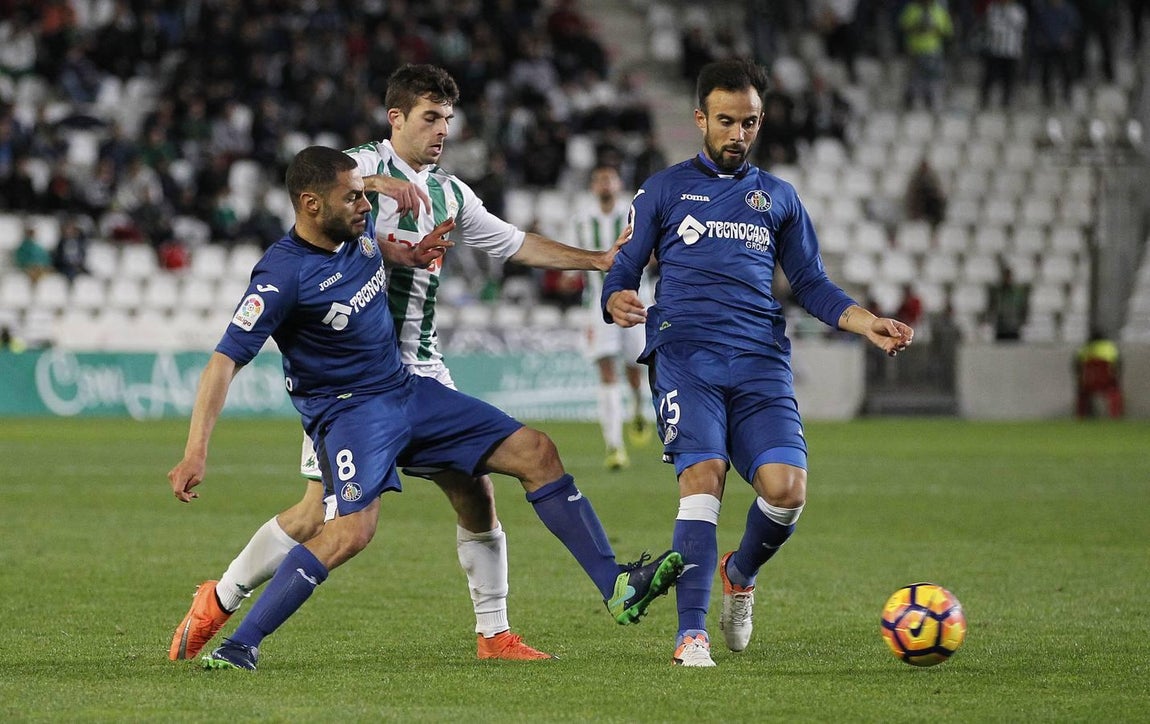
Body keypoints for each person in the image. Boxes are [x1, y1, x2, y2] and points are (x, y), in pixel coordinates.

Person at [170, 64, 661, 665]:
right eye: (431, 118)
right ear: (395, 118)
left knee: (478, 492)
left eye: (449, 120)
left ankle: (495, 632)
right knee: (318, 517)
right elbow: (317, 196)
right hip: (342, 387)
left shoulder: (451, 194)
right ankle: (221, 601)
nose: (442, 131)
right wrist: (378, 185)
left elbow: (513, 243)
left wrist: (599, 260)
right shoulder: (350, 173)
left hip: (416, 372)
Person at [602, 58, 914, 667]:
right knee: (704, 477)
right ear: (700, 119)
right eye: (725, 121)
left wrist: (864, 321)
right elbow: (623, 263)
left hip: (759, 362)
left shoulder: (780, 198)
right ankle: (690, 635)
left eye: (748, 123)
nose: (737, 134)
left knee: (786, 491)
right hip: (684, 355)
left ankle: (739, 572)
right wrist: (615, 296)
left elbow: (812, 284)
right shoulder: (664, 189)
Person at [574, 164, 652, 471]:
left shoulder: (635, 214)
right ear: (593, 186)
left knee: (634, 367)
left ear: (618, 184)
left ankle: (636, 406)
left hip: (635, 299)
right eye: (599, 180)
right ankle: (615, 446)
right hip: (597, 303)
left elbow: (653, 250)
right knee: (606, 369)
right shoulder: (581, 218)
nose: (605, 184)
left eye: (609, 178)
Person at [898, 0, 954, 111]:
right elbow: (902, 27)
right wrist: (917, 26)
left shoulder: (939, 10)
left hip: (933, 50)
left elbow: (948, 32)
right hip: (914, 50)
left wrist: (934, 28)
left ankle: (930, 101)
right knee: (914, 78)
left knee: (932, 78)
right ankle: (910, 101)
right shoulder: (912, 9)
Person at [979, 0, 1028, 110]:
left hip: (1011, 51)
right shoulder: (992, 8)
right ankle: (985, 100)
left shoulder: (1017, 10)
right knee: (989, 77)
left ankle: (1006, 101)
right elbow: (990, 25)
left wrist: (1006, 12)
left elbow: (1020, 25)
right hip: (994, 50)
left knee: (1009, 78)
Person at [1075, 328, 1123, 418]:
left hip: (1089, 383)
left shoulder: (1085, 349)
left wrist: (1079, 379)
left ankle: (1081, 415)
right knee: (1115, 390)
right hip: (1107, 383)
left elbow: (1077, 365)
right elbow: (1118, 365)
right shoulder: (1110, 347)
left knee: (1081, 392)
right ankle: (1116, 414)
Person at [986, 265, 1029, 341]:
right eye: (1005, 276)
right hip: (1001, 328)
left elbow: (1022, 308)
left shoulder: (1017, 293)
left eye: (1008, 277)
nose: (1007, 279)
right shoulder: (998, 292)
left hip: (1013, 328)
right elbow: (992, 307)